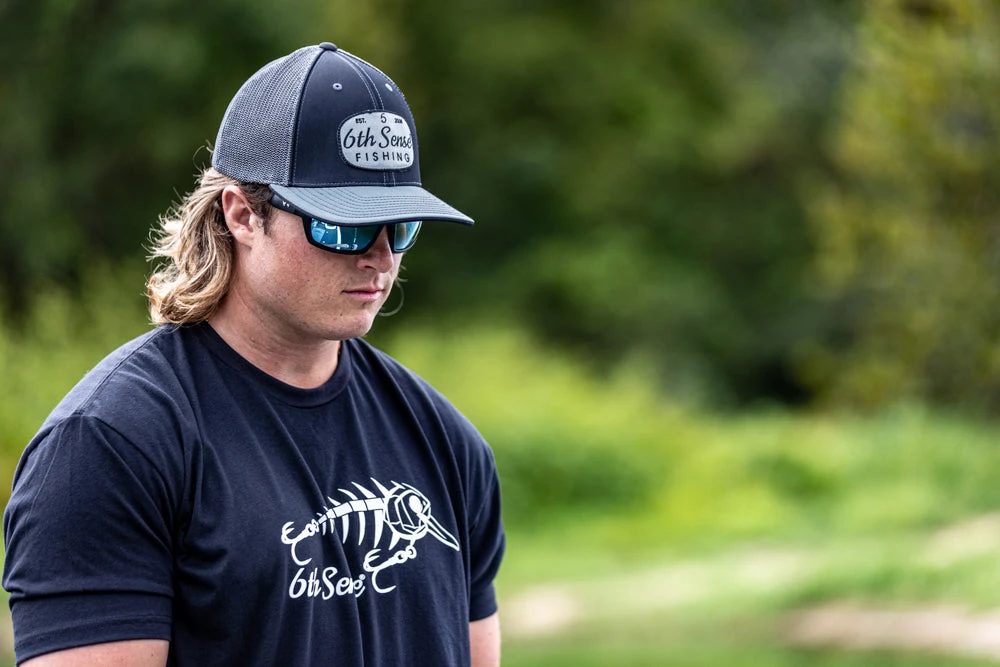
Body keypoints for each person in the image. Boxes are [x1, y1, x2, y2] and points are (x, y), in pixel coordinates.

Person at [2, 42, 505, 666]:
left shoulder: (446, 443)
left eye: (400, 226)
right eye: (343, 226)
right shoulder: (110, 446)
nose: (379, 256)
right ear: (241, 214)